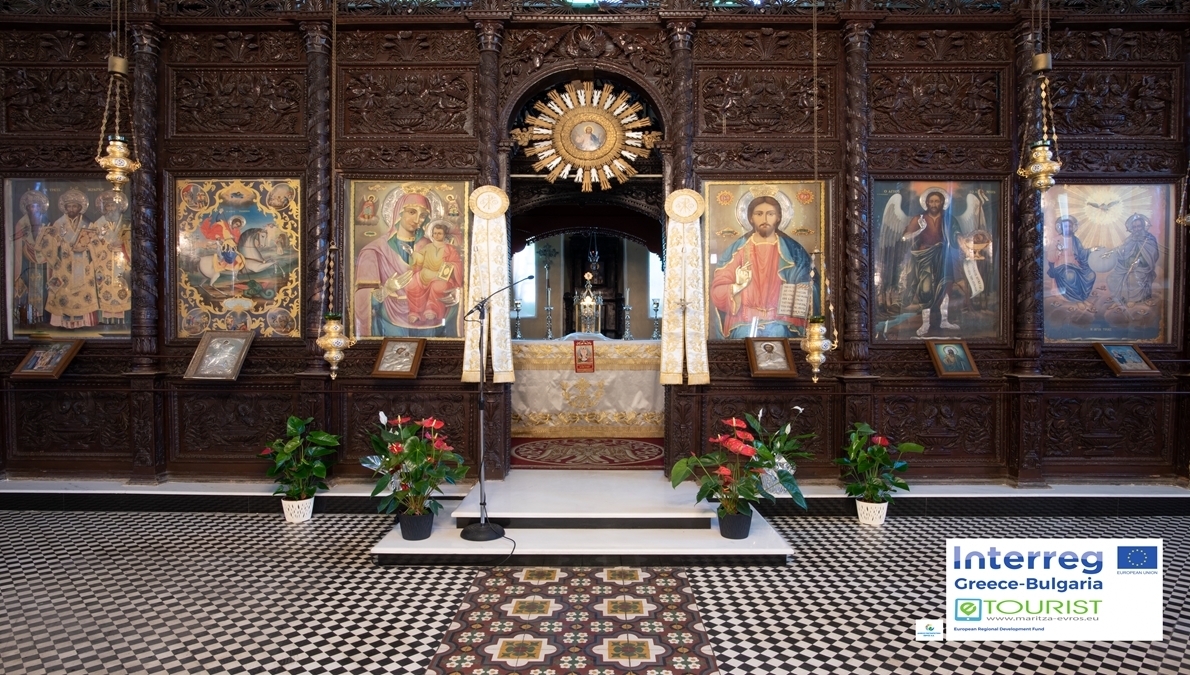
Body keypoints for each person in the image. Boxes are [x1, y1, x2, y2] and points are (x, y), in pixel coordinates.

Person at [354, 192, 458, 337]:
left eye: (423, 215)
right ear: (399, 213)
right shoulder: (374, 251)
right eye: (411, 212)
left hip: (431, 321)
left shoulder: (435, 247)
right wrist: (385, 290)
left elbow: (450, 276)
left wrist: (455, 293)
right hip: (391, 323)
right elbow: (360, 298)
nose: (417, 219)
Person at [710, 195, 814, 338]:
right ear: (750, 218)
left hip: (782, 320)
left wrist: (804, 287)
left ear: (778, 217)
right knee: (744, 336)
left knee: (779, 334)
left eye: (770, 214)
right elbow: (717, 291)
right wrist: (737, 286)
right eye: (759, 214)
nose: (765, 219)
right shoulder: (738, 250)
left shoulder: (793, 251)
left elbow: (811, 283)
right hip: (744, 320)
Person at [900, 188, 963, 337]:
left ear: (942, 202)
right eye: (931, 201)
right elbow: (905, 237)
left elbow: (956, 233)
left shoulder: (948, 218)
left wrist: (963, 242)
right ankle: (926, 323)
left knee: (946, 284)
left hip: (943, 254)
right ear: (927, 203)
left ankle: (944, 321)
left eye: (937, 201)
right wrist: (920, 229)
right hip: (924, 255)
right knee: (925, 288)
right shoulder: (919, 218)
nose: (934, 204)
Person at [35, 188, 101, 329]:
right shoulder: (58, 223)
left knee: (83, 292)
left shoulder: (88, 223)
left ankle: (84, 322)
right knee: (63, 291)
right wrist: (55, 242)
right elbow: (50, 243)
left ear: (80, 208)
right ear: (65, 207)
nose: (71, 209)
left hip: (83, 262)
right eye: (69, 206)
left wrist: (86, 248)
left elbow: (96, 243)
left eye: (74, 206)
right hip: (64, 264)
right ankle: (62, 322)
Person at [403, 221, 463, 326]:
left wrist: (450, 265)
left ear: (444, 235)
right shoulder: (427, 247)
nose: (436, 235)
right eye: (435, 233)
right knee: (411, 284)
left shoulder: (450, 249)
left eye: (439, 233)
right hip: (425, 274)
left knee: (438, 287)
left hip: (441, 277)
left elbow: (456, 263)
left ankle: (432, 310)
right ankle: (415, 312)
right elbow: (420, 260)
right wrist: (412, 253)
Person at [90, 192, 132, 325]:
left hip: (123, 261)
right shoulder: (98, 224)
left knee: (123, 289)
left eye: (113, 206)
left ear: (119, 207)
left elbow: (134, 241)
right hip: (105, 262)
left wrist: (123, 244)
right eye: (107, 206)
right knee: (105, 289)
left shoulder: (127, 223)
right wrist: (106, 246)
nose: (110, 209)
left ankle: (124, 322)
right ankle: (105, 322)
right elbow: (93, 243)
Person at [13, 189, 50, 325]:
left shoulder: (47, 222)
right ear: (26, 209)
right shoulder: (21, 223)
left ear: (41, 208)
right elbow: (17, 244)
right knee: (28, 291)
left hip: (44, 265)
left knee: (45, 291)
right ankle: (29, 320)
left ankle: (44, 319)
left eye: (36, 206)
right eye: (30, 207)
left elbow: (51, 243)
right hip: (26, 264)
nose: (33, 209)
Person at [1108, 213, 1160, 306]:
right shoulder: (1130, 238)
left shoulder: (1149, 239)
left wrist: (1139, 262)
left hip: (1142, 268)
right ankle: (1119, 298)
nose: (1137, 229)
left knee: (1132, 277)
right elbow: (1123, 251)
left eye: (1139, 226)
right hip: (1126, 266)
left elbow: (1153, 255)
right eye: (1134, 227)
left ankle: (1133, 299)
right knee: (1112, 277)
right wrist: (1116, 253)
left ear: (1143, 226)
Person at [1046, 215, 1097, 309]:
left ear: (1073, 227)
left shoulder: (1075, 240)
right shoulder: (1056, 240)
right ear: (1061, 227)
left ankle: (1083, 298)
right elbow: (1050, 258)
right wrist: (1059, 251)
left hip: (1076, 265)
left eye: (1070, 226)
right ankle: (1078, 300)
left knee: (1090, 274)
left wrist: (1090, 250)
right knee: (1071, 275)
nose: (1068, 228)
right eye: (1065, 226)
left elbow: (1081, 253)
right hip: (1061, 266)